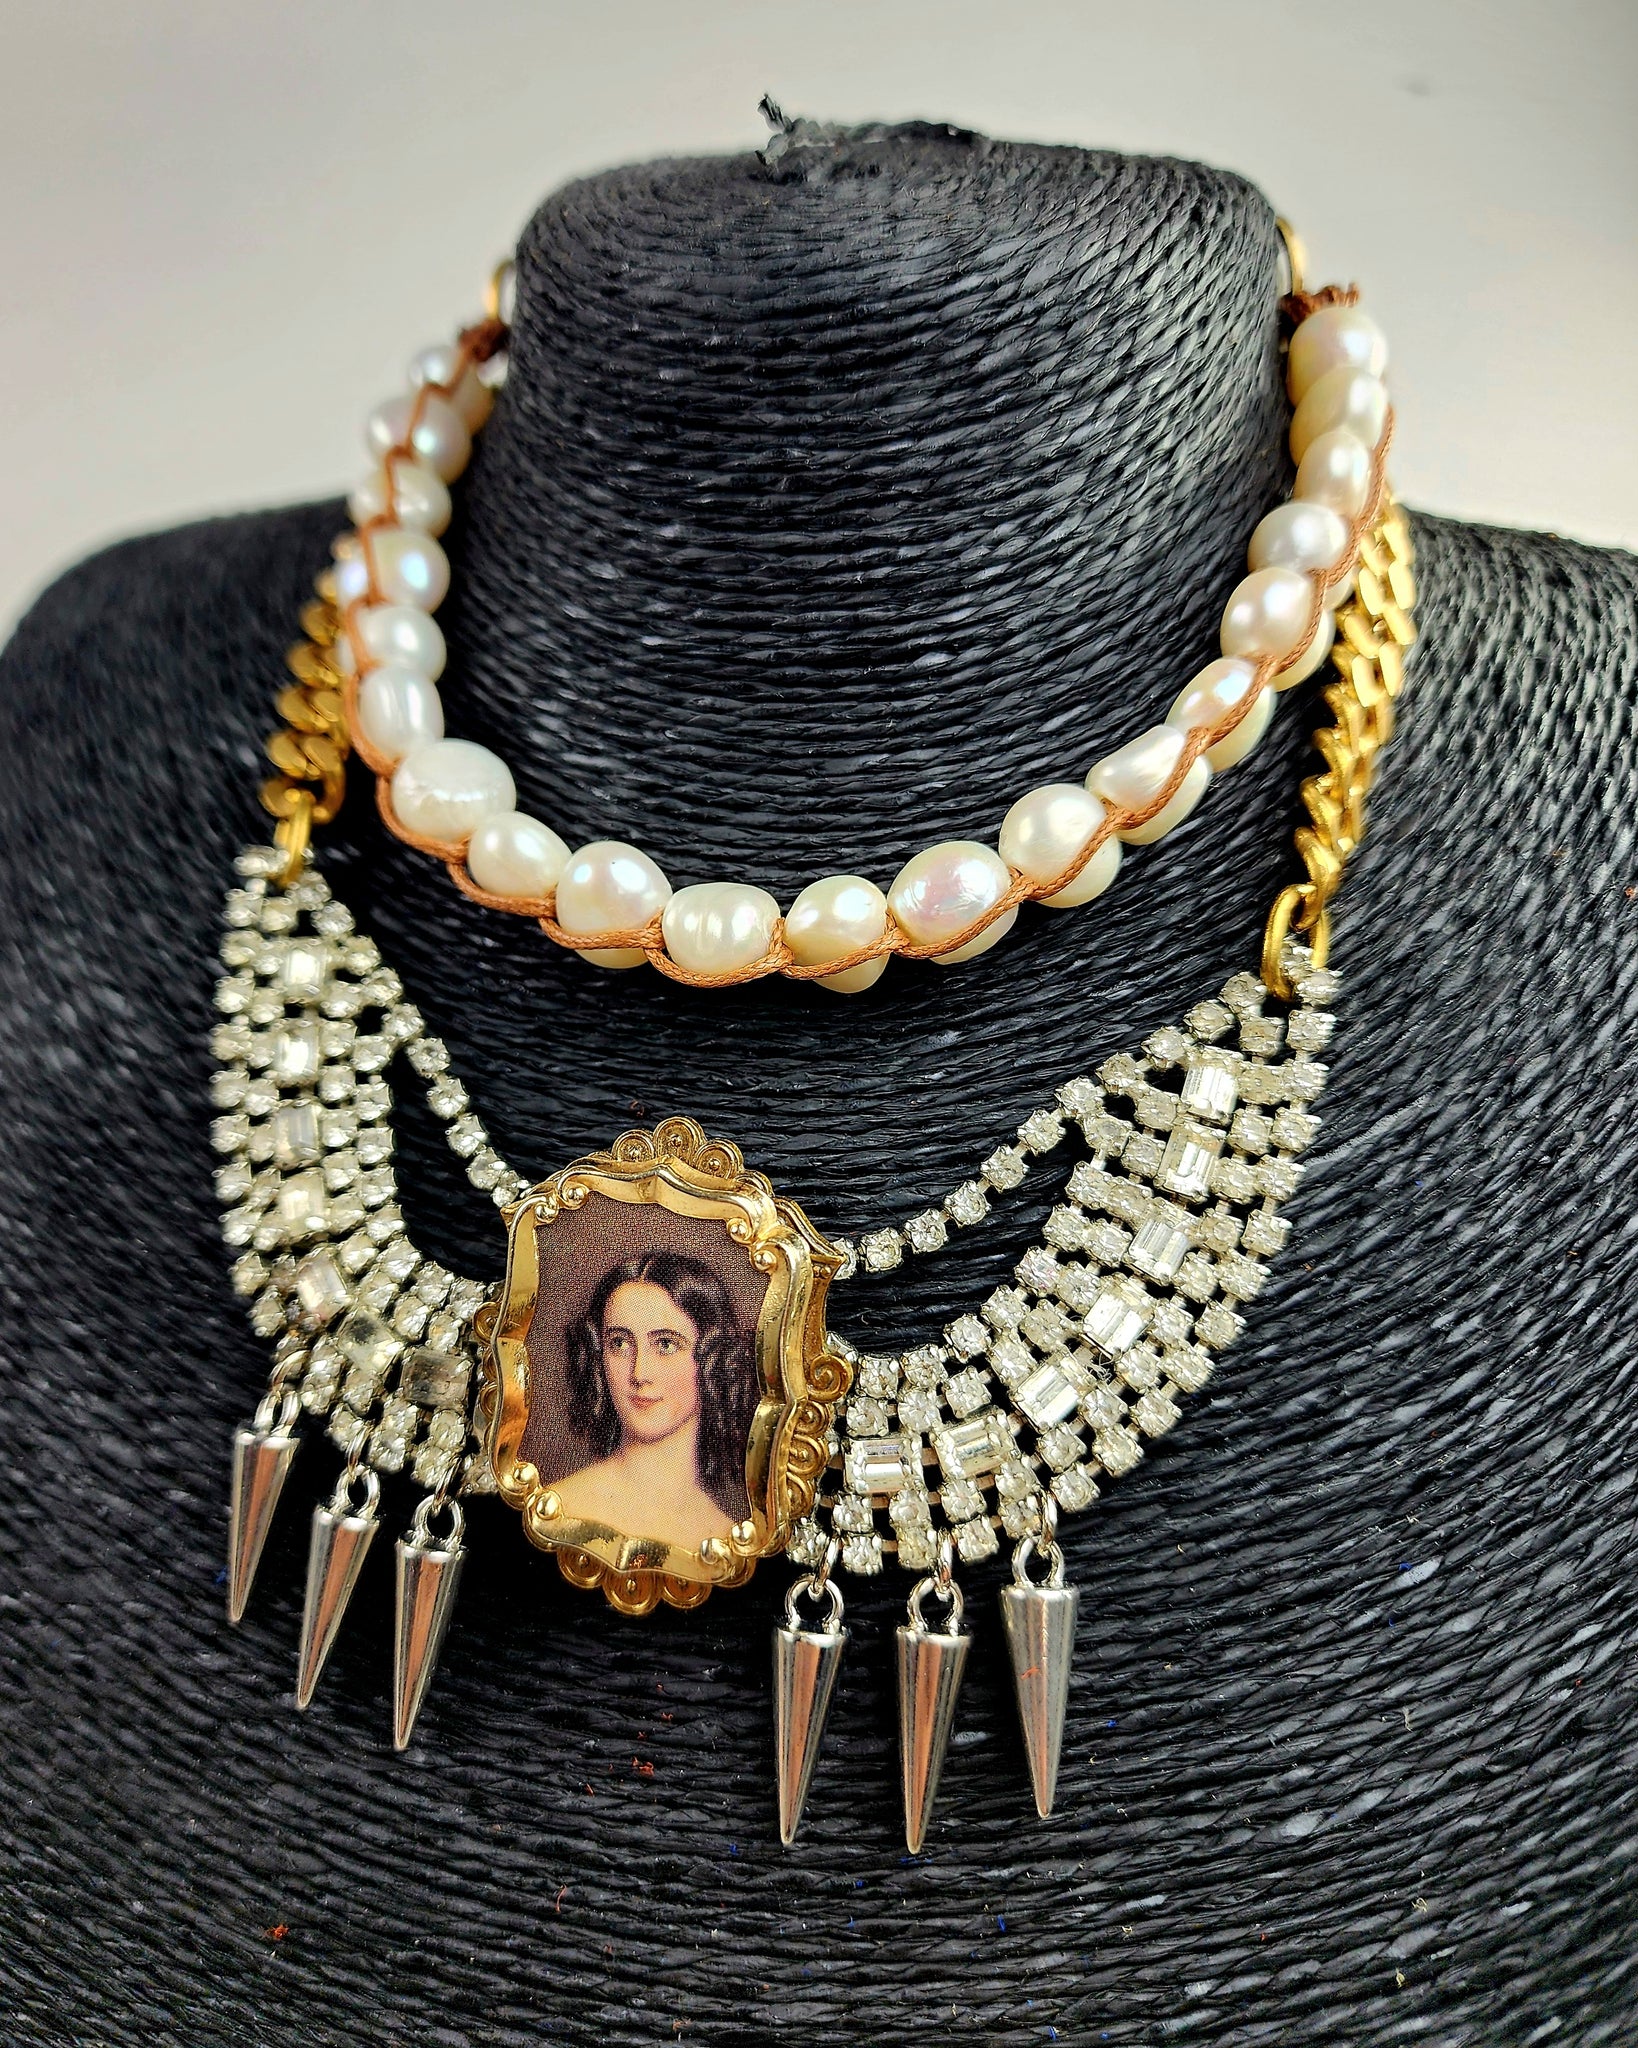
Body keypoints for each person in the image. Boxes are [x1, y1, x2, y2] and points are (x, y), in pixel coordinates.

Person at [549, 1248, 759, 1549]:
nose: (639, 1373)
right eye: (619, 1343)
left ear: (713, 1359)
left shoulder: (731, 1536)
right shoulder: (561, 1508)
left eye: (665, 1344)